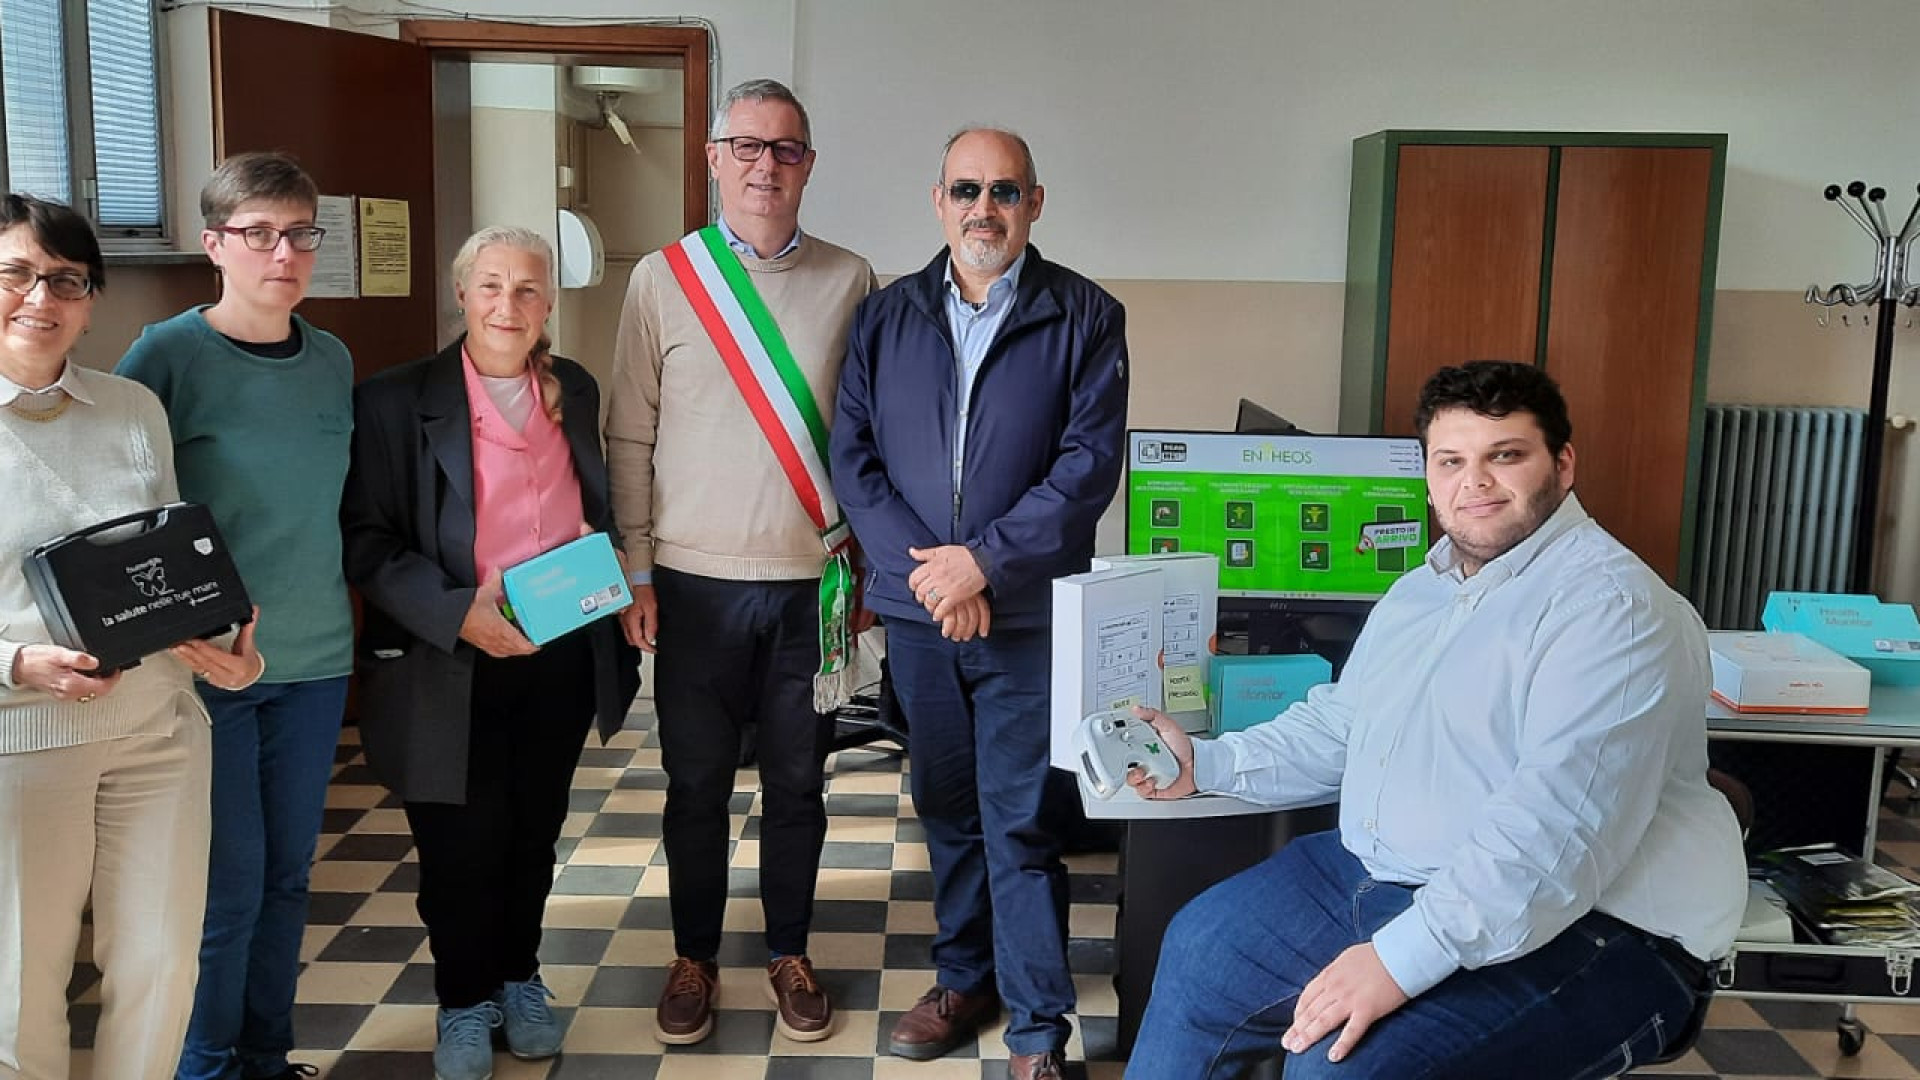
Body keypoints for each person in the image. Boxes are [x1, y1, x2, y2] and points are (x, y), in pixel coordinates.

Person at [1123, 360, 1748, 1080]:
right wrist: (1205, 764)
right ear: (1427, 475)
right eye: (1451, 461)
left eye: (1504, 456)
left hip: (1602, 925)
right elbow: (1342, 728)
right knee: (1203, 950)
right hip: (1392, 875)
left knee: (1339, 1069)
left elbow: (1550, 841)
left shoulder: (1615, 611)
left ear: (1563, 464)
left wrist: (1394, 962)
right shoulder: (1424, 589)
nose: (1473, 482)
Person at [829, 128, 1130, 1080]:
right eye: (967, 189)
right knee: (944, 805)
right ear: (938, 199)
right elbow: (855, 459)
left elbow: (1087, 469)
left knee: (1018, 820)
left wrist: (983, 569)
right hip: (922, 617)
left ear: (1035, 202)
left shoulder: (1085, 314)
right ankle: (964, 979)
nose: (983, 209)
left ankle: (1041, 1031)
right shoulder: (886, 317)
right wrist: (934, 577)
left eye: (1004, 191)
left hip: (1026, 619)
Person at [604, 77, 874, 1047]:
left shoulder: (853, 280)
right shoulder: (662, 278)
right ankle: (694, 956)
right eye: (747, 147)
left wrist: (872, 569)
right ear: (714, 158)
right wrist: (635, 569)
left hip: (815, 589)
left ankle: (790, 952)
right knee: (696, 786)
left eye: (787, 149)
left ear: (808, 165)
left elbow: (868, 442)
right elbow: (628, 435)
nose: (767, 165)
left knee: (801, 784)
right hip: (690, 588)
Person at [340, 226, 640, 1080]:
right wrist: (454, 612)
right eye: (491, 287)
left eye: (528, 290)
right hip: (449, 658)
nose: (509, 306)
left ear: (550, 304)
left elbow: (598, 503)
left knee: (533, 833)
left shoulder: (573, 389)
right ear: (462, 295)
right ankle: (462, 1000)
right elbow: (366, 541)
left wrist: (608, 561)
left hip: (558, 650)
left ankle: (519, 977)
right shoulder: (395, 401)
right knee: (459, 845)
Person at [0, 193, 262, 1080]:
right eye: (17, 274)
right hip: (22, 740)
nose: (41, 298)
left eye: (66, 280)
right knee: (19, 989)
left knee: (159, 966)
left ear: (91, 296)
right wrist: (16, 661)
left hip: (160, 731)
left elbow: (162, 564)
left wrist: (227, 634)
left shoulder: (132, 408)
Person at [116, 151, 352, 1080]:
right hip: (205, 670)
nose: (282, 252)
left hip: (314, 659)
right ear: (216, 244)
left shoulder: (330, 359)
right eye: (259, 233)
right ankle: (204, 1067)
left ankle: (266, 1056)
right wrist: (175, 635)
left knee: (290, 879)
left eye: (300, 232)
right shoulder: (165, 356)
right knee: (229, 890)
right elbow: (128, 517)